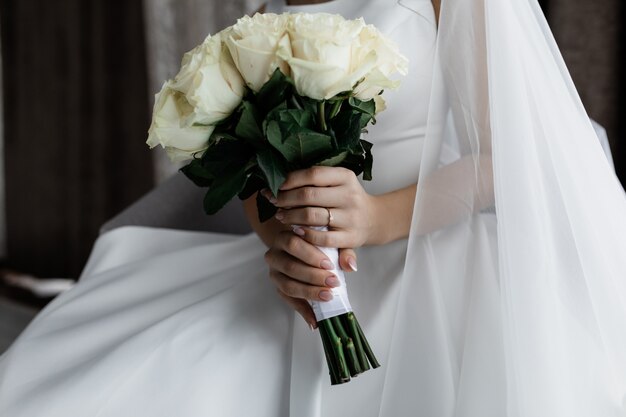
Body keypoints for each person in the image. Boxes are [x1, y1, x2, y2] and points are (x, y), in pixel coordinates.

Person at [2, 0, 626, 416]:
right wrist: (276, 242)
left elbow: (513, 158)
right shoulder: (272, 7)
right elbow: (254, 167)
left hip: (434, 247)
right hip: (309, 270)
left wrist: (379, 218)